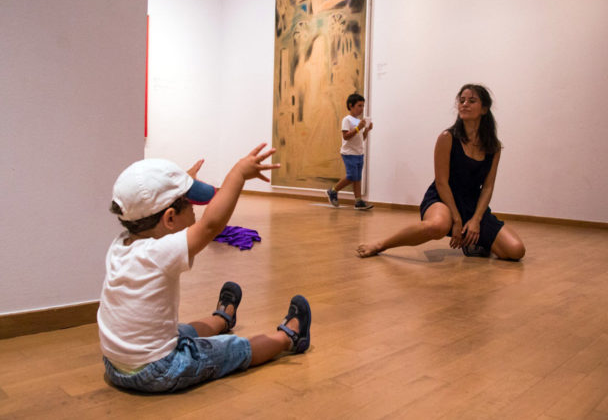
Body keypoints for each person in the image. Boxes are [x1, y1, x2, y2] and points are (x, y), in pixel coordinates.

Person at [97, 144, 312, 393]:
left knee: (183, 331)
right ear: (169, 218)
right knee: (233, 349)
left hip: (115, 364)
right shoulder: (159, 252)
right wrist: (238, 174)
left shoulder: (121, 244)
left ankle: (222, 320)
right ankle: (289, 338)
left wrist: (183, 180)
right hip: (158, 369)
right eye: (190, 204)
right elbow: (211, 225)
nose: (195, 209)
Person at [357, 84, 525, 260]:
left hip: (472, 204)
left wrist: (476, 219)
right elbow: (441, 182)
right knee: (437, 226)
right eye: (462, 100)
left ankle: (473, 242)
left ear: (484, 109)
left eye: (471, 101)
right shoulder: (447, 138)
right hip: (443, 198)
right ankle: (381, 244)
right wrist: (457, 219)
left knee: (516, 250)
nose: (464, 104)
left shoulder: (493, 147)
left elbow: (488, 187)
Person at [326, 93, 374, 210]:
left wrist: (366, 130)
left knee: (357, 178)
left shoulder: (359, 121)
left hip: (359, 153)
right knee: (351, 176)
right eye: (359, 106)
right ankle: (333, 191)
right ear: (351, 105)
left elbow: (361, 138)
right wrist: (358, 128)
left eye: (363, 106)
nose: (361, 108)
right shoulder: (347, 120)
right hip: (349, 153)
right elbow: (346, 136)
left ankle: (358, 201)